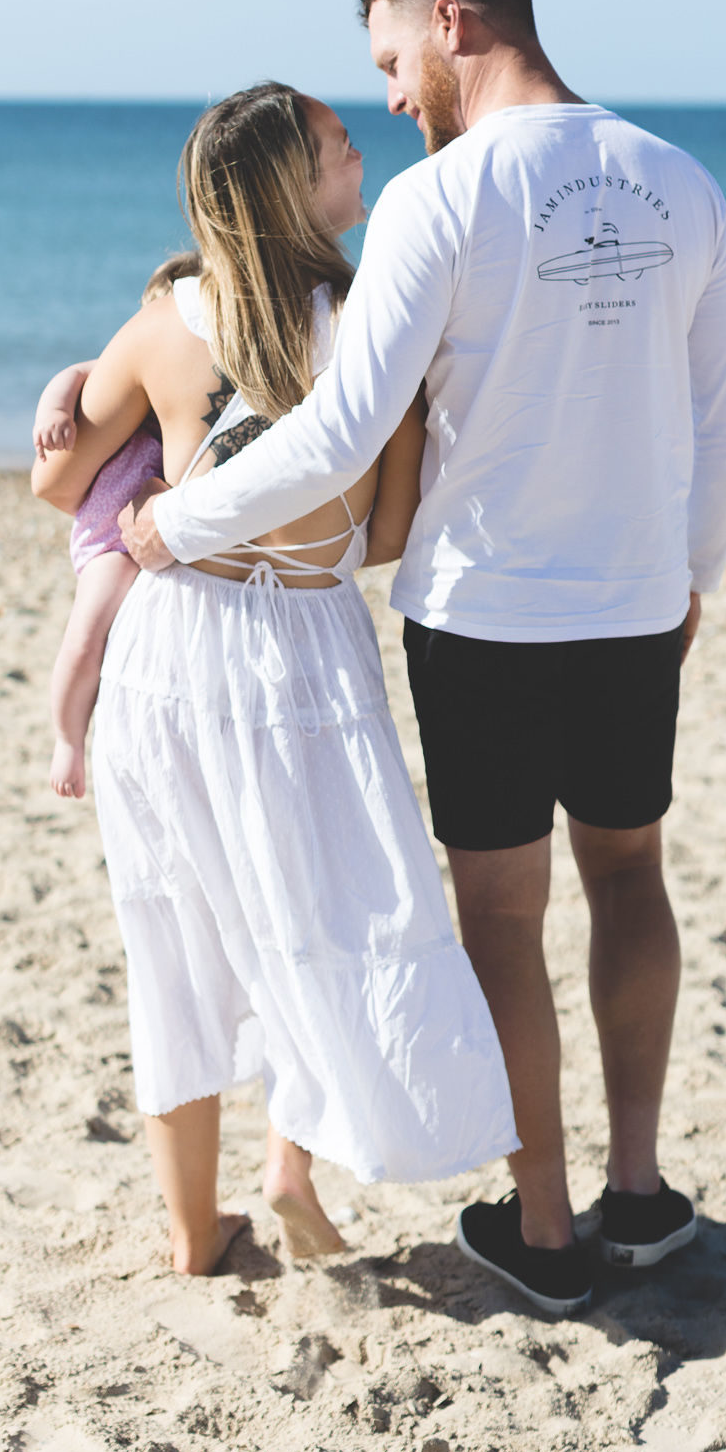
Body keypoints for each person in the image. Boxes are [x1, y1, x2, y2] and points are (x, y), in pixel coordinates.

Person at [123, 0, 726, 1318]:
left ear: (455, 23)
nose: (393, 92)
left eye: (394, 58)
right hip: (631, 605)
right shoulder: (680, 179)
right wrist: (691, 576)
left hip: (482, 614)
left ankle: (542, 1230)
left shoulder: (438, 199)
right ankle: (639, 1196)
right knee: (630, 877)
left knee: (500, 911)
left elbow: (342, 429)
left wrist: (176, 521)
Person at [32, 82, 519, 1277]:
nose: (359, 144)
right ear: (294, 187)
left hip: (171, 643)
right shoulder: (372, 326)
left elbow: (57, 483)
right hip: (303, 644)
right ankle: (288, 1165)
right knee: (320, 912)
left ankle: (199, 1234)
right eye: (336, 141)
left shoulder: (161, 326)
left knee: (180, 933)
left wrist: (73, 390)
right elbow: (392, 523)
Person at [33, 257, 195, 799]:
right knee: (84, 639)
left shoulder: (192, 384)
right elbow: (73, 376)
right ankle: (67, 739)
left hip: (153, 532)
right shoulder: (125, 366)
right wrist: (53, 412)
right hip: (107, 538)